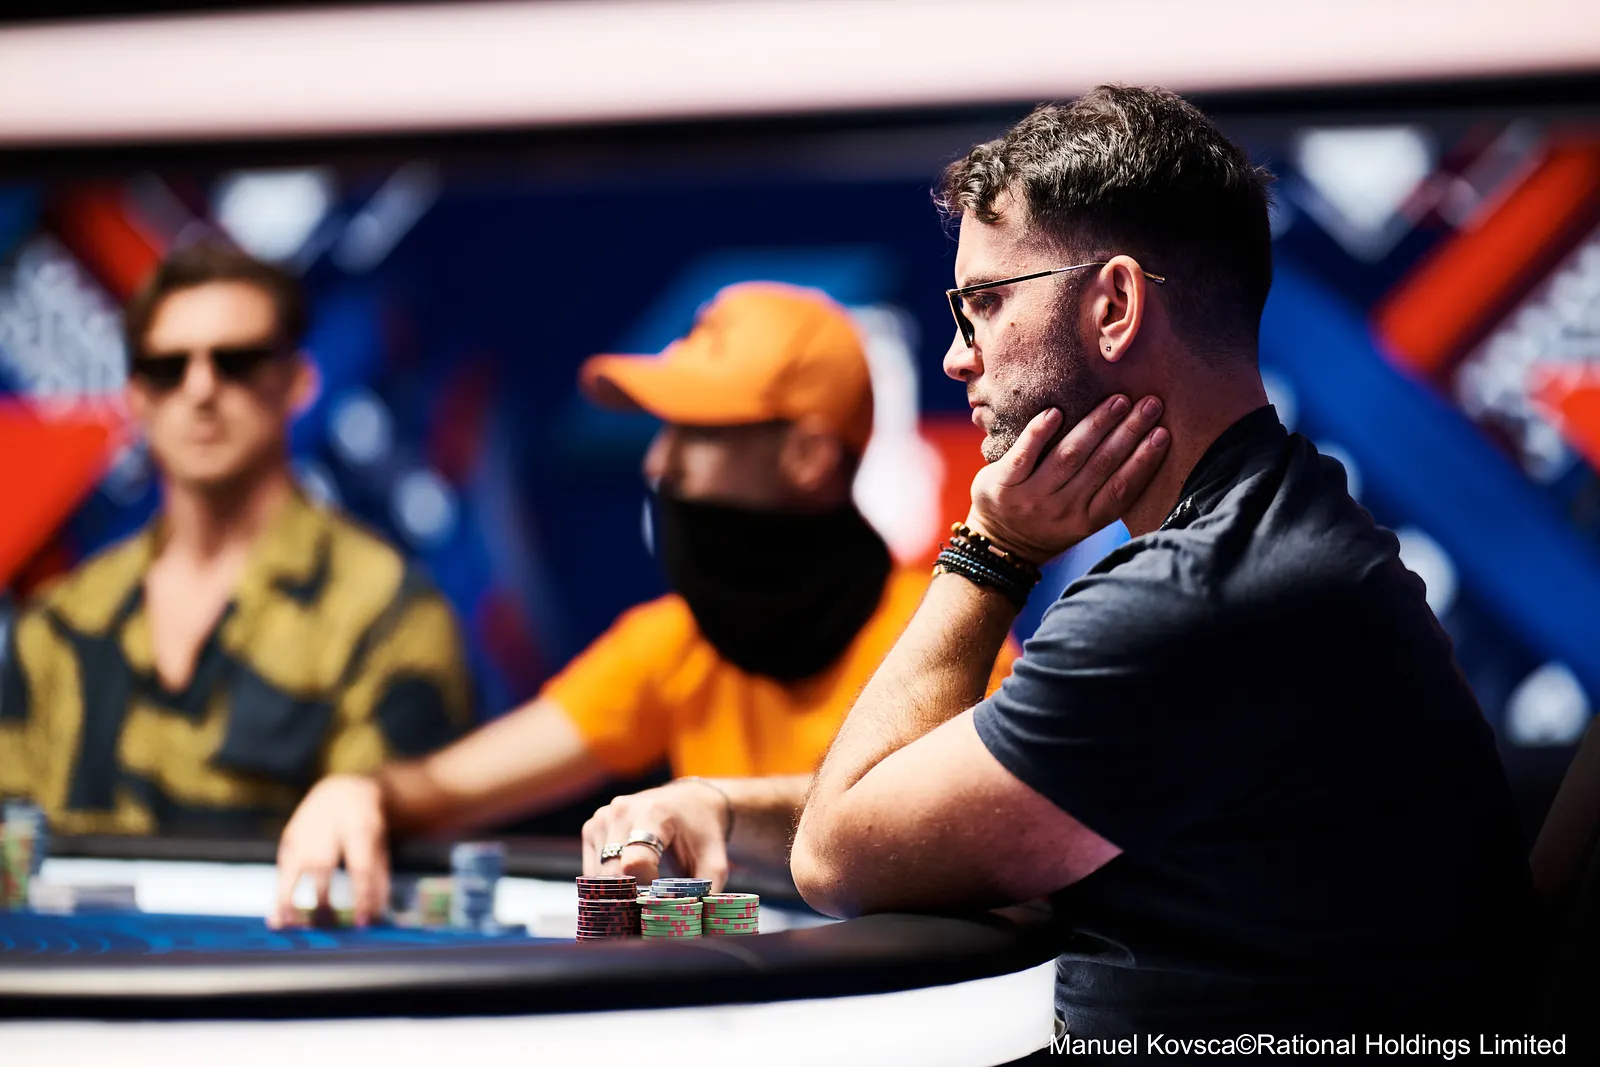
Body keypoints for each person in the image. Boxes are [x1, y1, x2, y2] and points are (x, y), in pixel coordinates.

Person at [789, 86, 1537, 1038]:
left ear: (1114, 305)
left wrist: (991, 551)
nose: (956, 358)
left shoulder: (1197, 600)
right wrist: (723, 811)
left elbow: (837, 856)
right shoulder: (1282, 525)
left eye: (984, 304)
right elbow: (966, 788)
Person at [271, 282, 1016, 925]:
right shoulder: (672, 643)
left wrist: (718, 805)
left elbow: (930, 821)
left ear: (809, 456)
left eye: (698, 431)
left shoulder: (946, 635)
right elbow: (444, 788)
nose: (659, 461)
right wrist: (361, 791)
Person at [0, 241, 472, 838]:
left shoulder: (390, 616)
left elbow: (384, 855)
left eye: (237, 362)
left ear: (297, 382)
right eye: (167, 368)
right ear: (136, 397)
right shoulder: (57, 621)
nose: (200, 390)